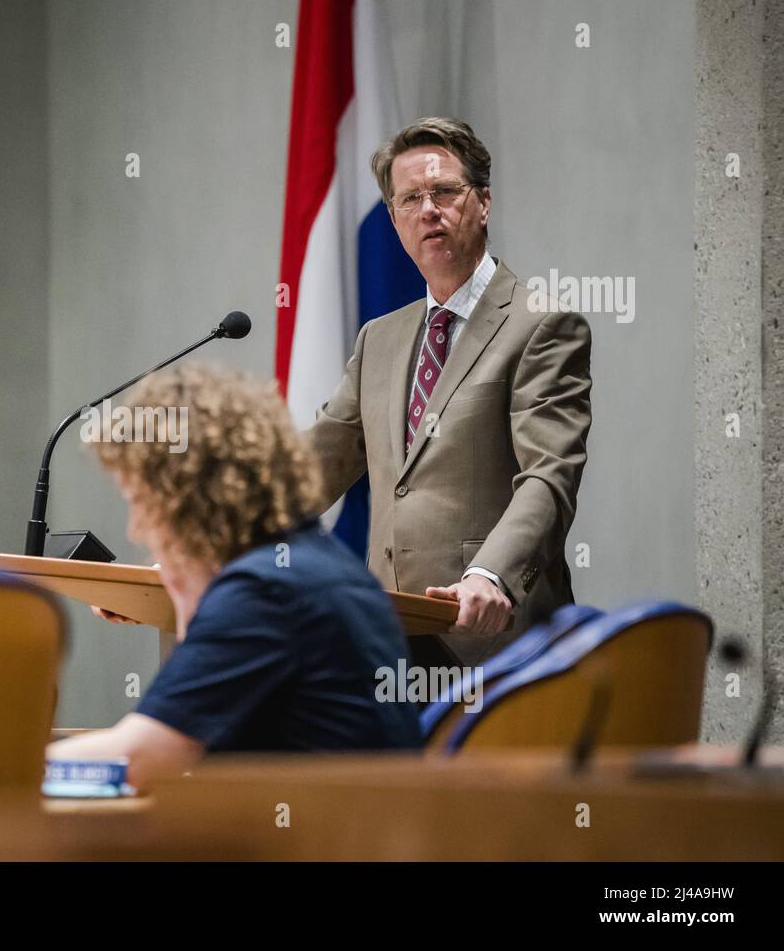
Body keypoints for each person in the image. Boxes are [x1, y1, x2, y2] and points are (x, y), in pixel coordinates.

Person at [48, 364, 421, 790]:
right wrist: (190, 595)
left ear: (185, 496)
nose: (135, 529)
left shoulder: (266, 591)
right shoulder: (323, 568)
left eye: (141, 502)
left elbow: (140, 757)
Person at [308, 116, 592, 668]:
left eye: (444, 191)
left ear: (483, 202)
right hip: (391, 644)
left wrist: (490, 574)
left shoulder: (542, 323)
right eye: (410, 198)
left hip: (497, 639)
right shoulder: (379, 340)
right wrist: (202, 548)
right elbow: (312, 468)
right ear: (393, 220)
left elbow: (548, 476)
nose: (428, 210)